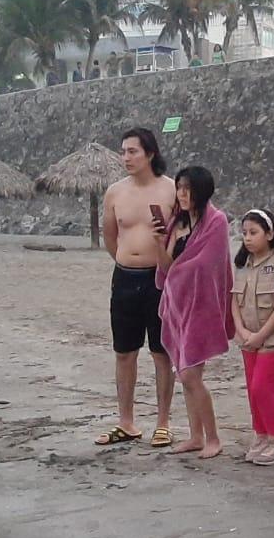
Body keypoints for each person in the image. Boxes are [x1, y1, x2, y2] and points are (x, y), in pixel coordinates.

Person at [97, 128, 179, 448]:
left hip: (159, 277)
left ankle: (163, 422)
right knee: (124, 352)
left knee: (161, 352)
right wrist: (124, 258)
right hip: (125, 277)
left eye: (133, 151)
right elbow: (109, 236)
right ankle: (126, 421)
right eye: (123, 151)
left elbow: (183, 235)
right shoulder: (115, 192)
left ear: (150, 153)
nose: (126, 158)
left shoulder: (171, 190)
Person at [155, 165, 232, 459]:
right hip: (178, 305)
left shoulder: (217, 222)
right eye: (179, 187)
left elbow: (207, 264)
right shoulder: (177, 223)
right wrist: (156, 239)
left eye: (188, 188)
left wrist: (176, 271)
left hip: (202, 304)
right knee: (182, 367)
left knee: (189, 374)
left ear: (201, 191)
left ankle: (213, 437)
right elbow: (164, 267)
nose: (182, 194)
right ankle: (195, 435)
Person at [232, 209, 274, 465]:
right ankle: (261, 435)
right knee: (252, 389)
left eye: (254, 233)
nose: (247, 238)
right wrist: (243, 331)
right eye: (245, 233)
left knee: (264, 389)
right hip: (248, 339)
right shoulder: (242, 265)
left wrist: (261, 335)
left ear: (270, 234)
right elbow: (234, 302)